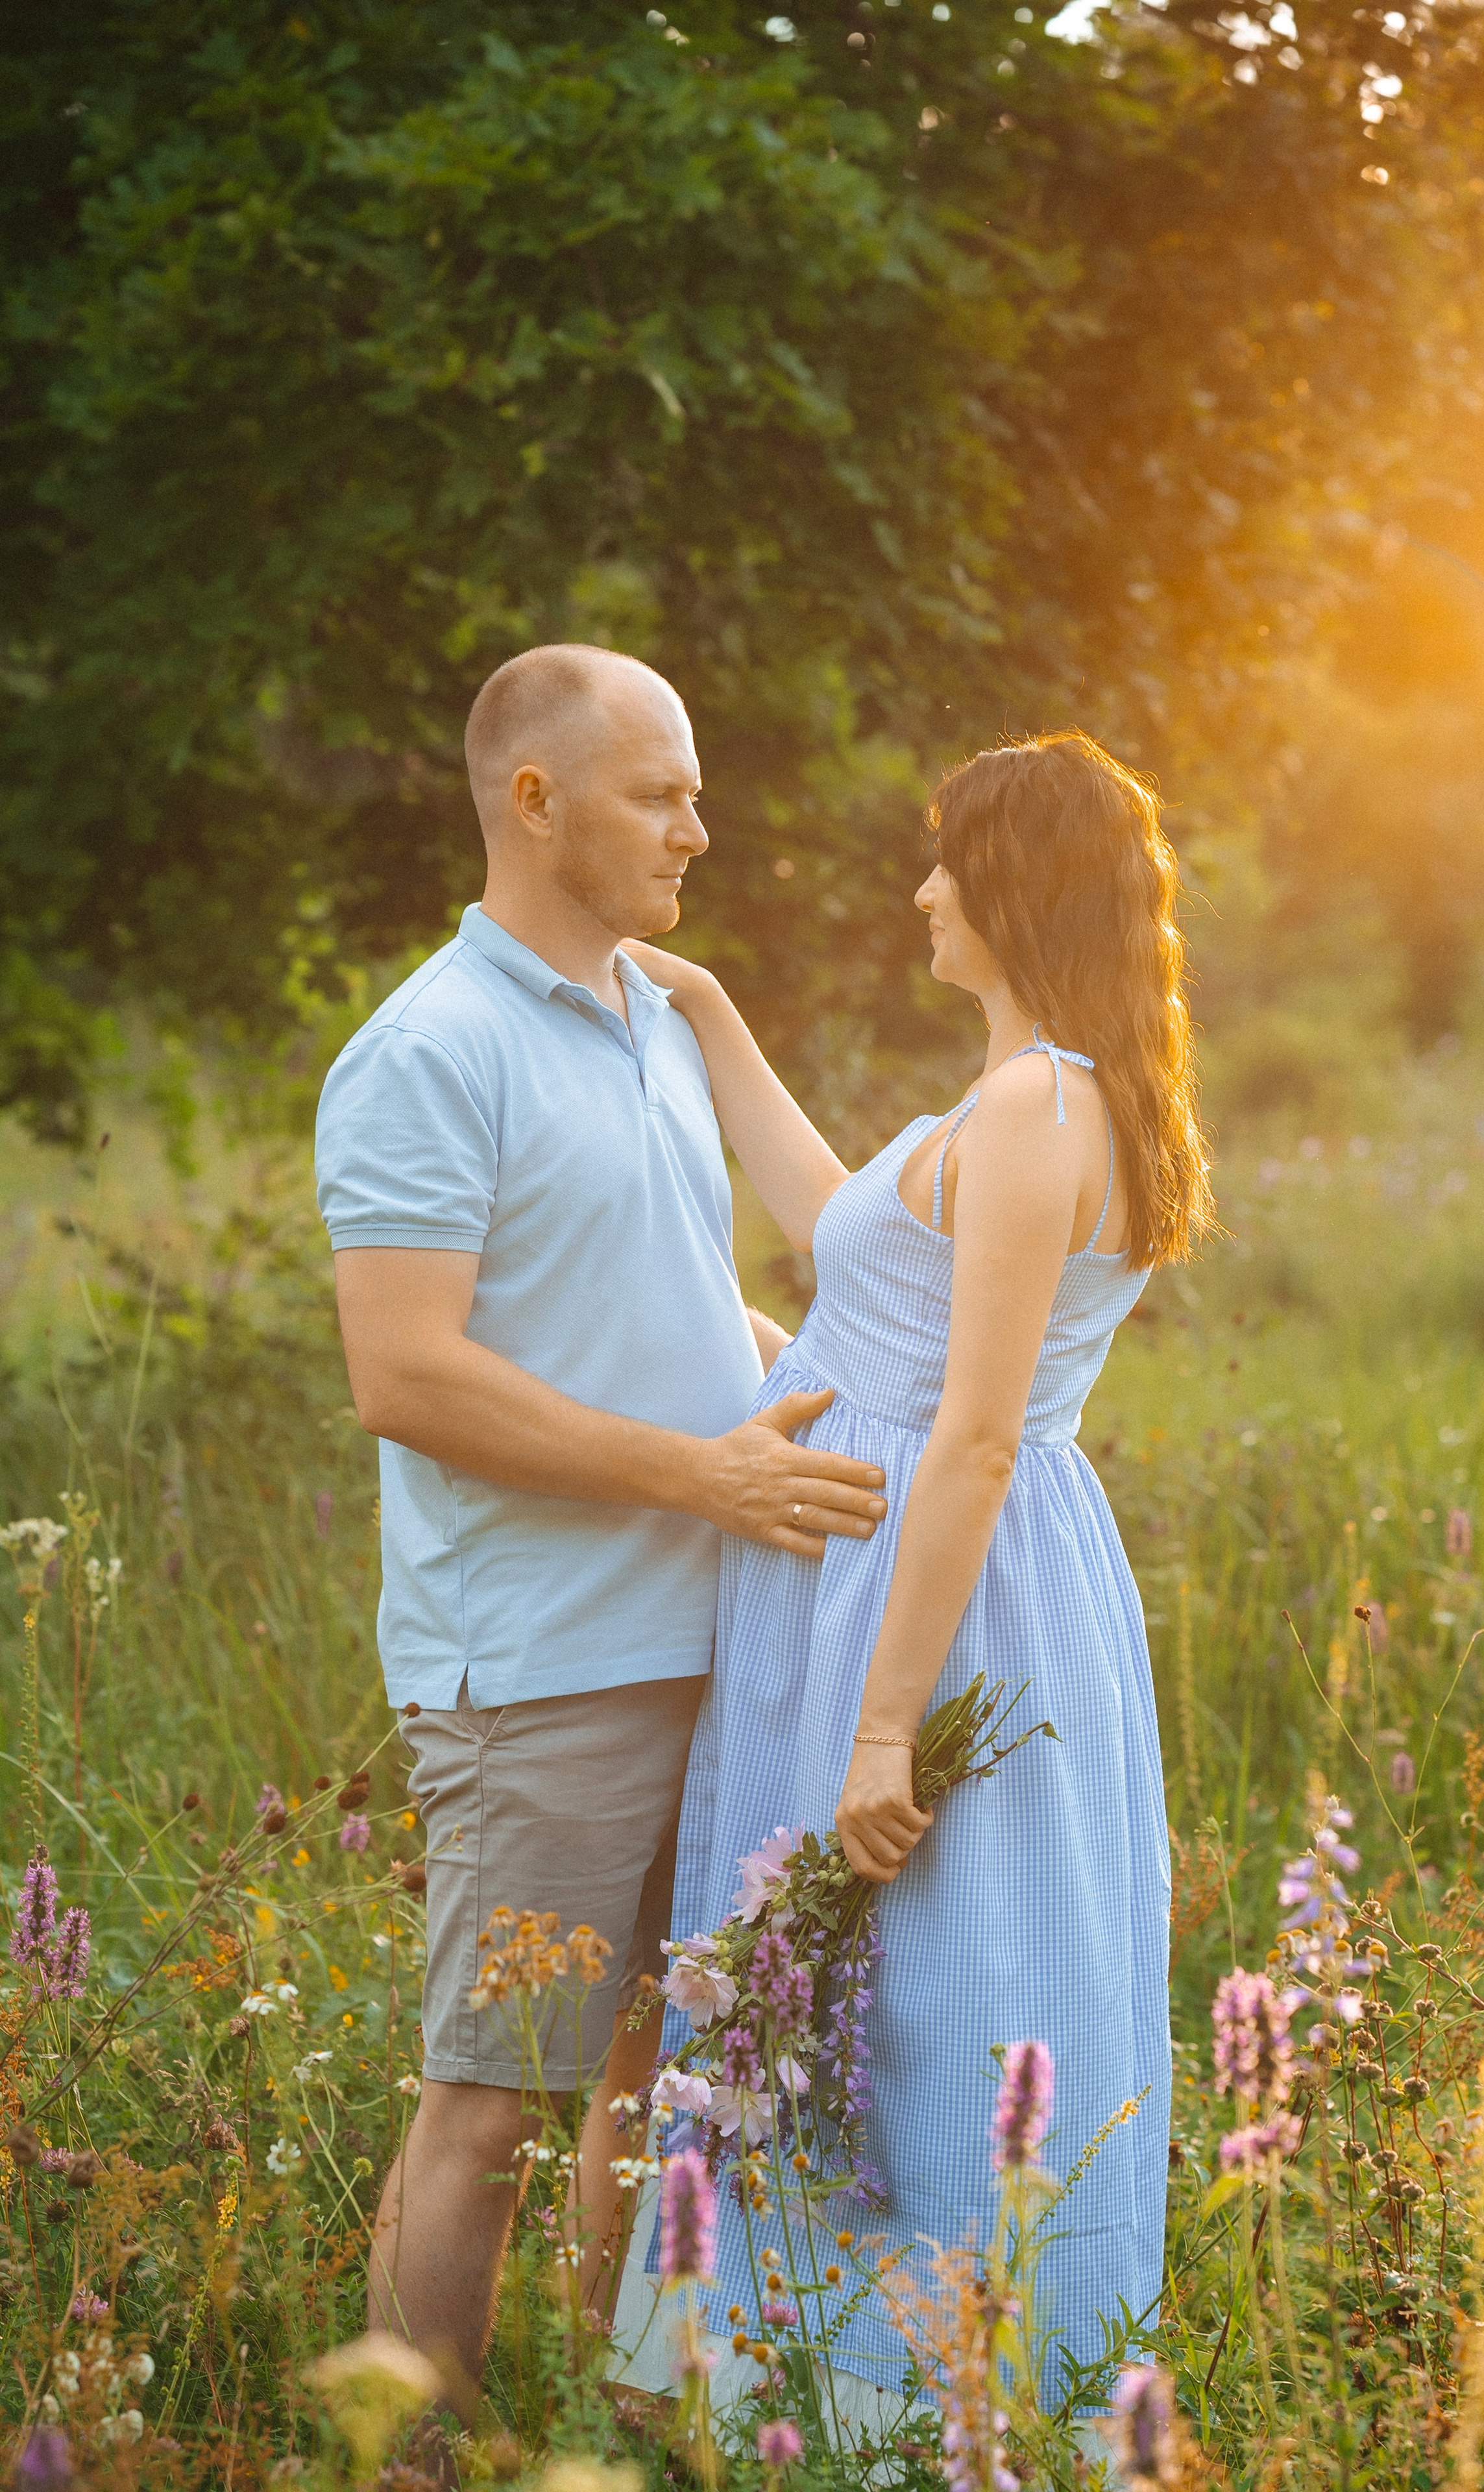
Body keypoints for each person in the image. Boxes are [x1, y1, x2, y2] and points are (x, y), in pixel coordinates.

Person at [312, 644, 889, 2428]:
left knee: (655, 2092)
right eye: (661, 793)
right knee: (493, 2102)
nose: (699, 829)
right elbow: (407, 1376)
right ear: (535, 800)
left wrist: (777, 1365)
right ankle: (393, 2467)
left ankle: (612, 2445)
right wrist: (701, 1474)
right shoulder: (428, 1052)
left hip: (715, 1642)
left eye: (697, 790)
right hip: (547, 1668)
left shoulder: (652, 1013)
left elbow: (634, 1281)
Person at [632, 730, 1211, 2400]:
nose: (922, 889)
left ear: (1011, 887)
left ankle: (924, 2400)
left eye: (947, 858)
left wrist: (885, 1731)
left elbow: (968, 1438)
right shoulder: (1027, 1094)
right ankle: (832, 2389)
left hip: (936, 1595)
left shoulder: (1040, 1110)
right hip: (891, 1574)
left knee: (938, 2000)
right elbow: (839, 1242)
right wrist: (711, 1013)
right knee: (863, 1995)